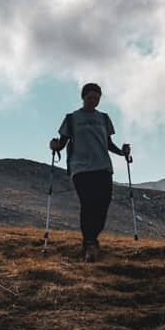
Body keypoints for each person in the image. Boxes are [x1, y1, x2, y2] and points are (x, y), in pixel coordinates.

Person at [49, 82, 131, 262]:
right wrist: (54, 146)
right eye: (90, 97)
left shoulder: (104, 118)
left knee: (103, 205)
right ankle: (90, 243)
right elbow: (62, 143)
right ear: (83, 97)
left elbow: (108, 144)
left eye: (97, 97)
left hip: (103, 167)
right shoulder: (71, 118)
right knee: (88, 204)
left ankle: (91, 239)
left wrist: (122, 152)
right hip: (81, 169)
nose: (93, 100)